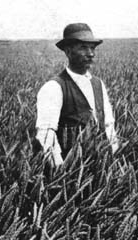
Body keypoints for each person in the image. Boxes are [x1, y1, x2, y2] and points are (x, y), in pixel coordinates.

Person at [35, 23, 119, 168]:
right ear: (68, 51)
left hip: (100, 168)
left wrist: (113, 160)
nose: (90, 53)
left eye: (92, 48)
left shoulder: (99, 84)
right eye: (83, 48)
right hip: (69, 173)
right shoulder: (54, 87)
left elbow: (108, 125)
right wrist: (60, 171)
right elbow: (46, 135)